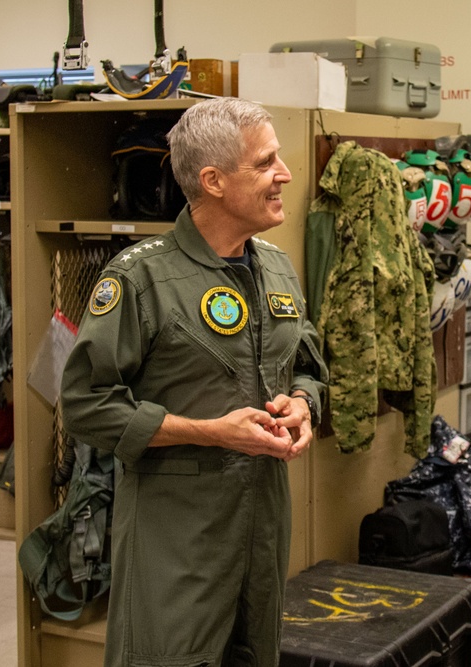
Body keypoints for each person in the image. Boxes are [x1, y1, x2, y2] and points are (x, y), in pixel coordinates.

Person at [61, 97, 327, 667]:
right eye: (265, 162)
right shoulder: (141, 278)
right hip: (177, 537)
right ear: (213, 181)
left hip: (263, 527)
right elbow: (84, 405)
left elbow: (307, 359)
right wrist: (210, 432)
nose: (284, 174)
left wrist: (304, 402)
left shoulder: (278, 267)